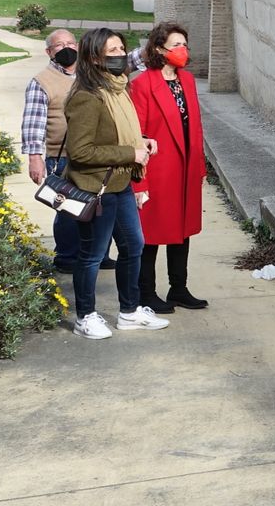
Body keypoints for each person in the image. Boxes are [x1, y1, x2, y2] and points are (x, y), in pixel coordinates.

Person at [62, 28, 170, 340]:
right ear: (94, 57)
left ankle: (129, 311)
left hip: (120, 183)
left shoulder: (118, 89)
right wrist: (130, 152)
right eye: (112, 51)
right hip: (96, 188)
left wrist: (143, 142)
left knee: (133, 246)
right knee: (93, 255)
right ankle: (85, 316)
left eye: (121, 48)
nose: (120, 55)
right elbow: (80, 152)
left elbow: (120, 135)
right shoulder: (87, 97)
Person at [130, 22, 209, 312]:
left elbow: (195, 127)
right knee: (150, 235)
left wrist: (199, 167)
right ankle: (146, 293)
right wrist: (140, 182)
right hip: (157, 170)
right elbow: (136, 134)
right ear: (158, 49)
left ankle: (178, 288)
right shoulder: (142, 84)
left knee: (182, 231)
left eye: (184, 44)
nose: (182, 50)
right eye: (175, 45)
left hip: (185, 169)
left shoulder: (186, 80)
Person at [21, 29, 86, 274]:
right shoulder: (42, 82)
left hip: (91, 154)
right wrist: (35, 159)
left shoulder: (88, 74)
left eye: (71, 43)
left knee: (95, 207)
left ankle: (95, 254)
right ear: (49, 52)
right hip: (61, 157)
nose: (66, 48)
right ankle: (67, 257)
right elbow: (33, 124)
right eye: (59, 45)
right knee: (68, 207)